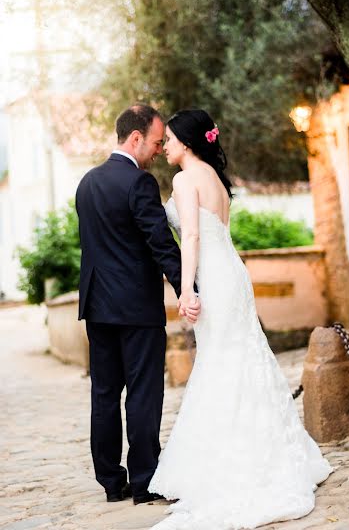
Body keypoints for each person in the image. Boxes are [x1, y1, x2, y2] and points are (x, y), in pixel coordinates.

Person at [148, 109, 333, 530]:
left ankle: (233, 463)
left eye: (172, 139)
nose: (167, 147)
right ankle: (267, 449)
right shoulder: (214, 177)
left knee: (222, 362)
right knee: (239, 358)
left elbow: (191, 236)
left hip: (213, 280)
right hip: (233, 274)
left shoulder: (183, 179)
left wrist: (188, 288)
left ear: (189, 142)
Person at [75, 105, 200, 506]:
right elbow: (160, 243)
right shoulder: (139, 183)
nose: (158, 149)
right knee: (144, 393)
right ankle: (145, 480)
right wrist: (189, 288)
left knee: (105, 394)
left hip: (97, 307)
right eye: (157, 141)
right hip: (136, 309)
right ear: (135, 138)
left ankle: (112, 482)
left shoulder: (87, 183)